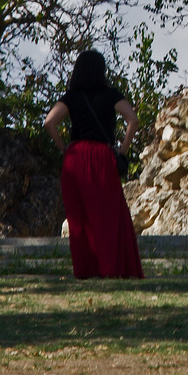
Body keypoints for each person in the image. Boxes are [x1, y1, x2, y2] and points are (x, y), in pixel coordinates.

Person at [43, 50, 143, 279]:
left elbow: (49, 122)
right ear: (101, 70)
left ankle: (85, 270)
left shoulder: (71, 96)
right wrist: (123, 149)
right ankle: (111, 269)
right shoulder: (110, 94)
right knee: (107, 214)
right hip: (101, 157)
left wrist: (64, 148)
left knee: (80, 218)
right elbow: (133, 119)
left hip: (75, 158)